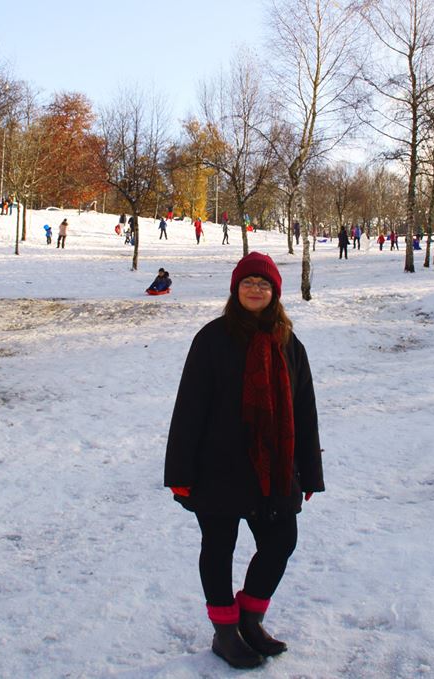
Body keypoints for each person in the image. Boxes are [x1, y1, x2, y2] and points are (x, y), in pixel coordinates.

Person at [164, 252, 324, 670]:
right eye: (249, 282)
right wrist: (181, 474)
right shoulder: (213, 338)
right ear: (236, 289)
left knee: (280, 541)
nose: (256, 289)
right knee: (219, 546)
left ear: (275, 293)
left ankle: (250, 620)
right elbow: (189, 408)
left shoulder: (290, 343)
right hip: (218, 468)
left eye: (264, 283)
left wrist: (308, 470)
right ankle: (225, 633)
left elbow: (304, 410)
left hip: (275, 469)